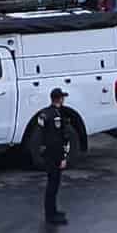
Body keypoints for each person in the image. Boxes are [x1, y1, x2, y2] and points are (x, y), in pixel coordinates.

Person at [30, 87, 70, 225]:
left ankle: (52, 211)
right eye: (63, 97)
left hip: (47, 154)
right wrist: (63, 158)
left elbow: (39, 135)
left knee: (52, 184)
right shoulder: (57, 116)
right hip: (54, 155)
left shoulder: (44, 114)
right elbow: (59, 139)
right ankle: (51, 215)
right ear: (59, 99)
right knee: (53, 185)